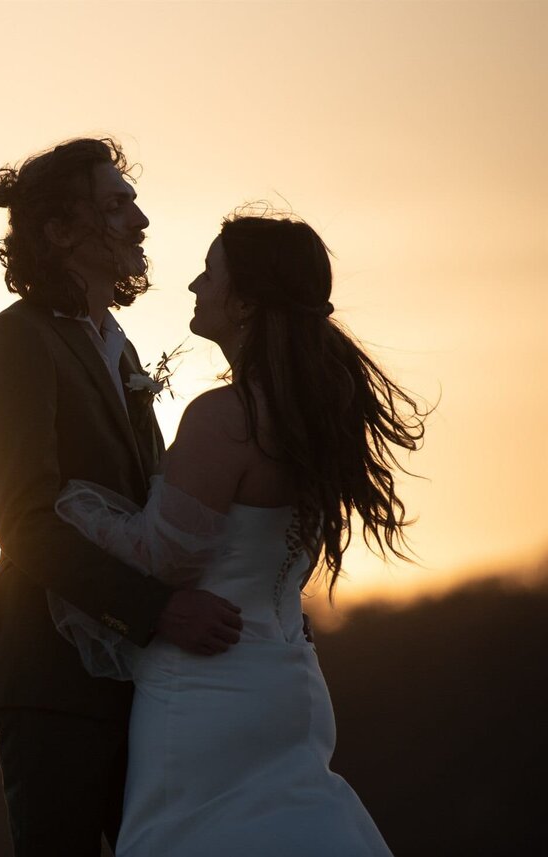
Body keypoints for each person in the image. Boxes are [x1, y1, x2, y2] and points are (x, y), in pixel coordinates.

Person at [53, 212, 427, 855]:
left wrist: (70, 503)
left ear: (247, 302)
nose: (195, 285)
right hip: (288, 680)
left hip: (206, 689)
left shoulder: (226, 417)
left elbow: (164, 560)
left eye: (210, 272)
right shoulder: (317, 417)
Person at [0, 138, 245, 857]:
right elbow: (24, 523)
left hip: (139, 674)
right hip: (50, 675)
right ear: (60, 232)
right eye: (116, 205)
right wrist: (156, 610)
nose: (140, 220)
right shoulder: (13, 344)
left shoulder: (116, 346)